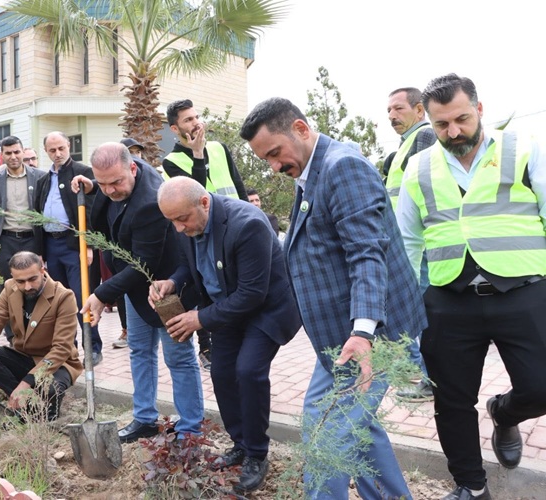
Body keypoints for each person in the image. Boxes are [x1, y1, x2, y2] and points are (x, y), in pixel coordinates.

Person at [240, 97, 427, 499]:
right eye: (265, 160)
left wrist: (363, 332)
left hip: (371, 335)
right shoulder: (312, 171)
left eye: (275, 152)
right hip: (341, 338)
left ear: (302, 129)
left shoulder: (342, 168)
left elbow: (367, 254)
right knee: (353, 427)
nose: (273, 166)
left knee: (329, 433)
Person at [397, 74, 546, 500]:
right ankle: (471, 486)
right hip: (448, 299)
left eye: (462, 119)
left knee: (541, 387)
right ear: (429, 121)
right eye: (442, 125)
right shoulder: (419, 166)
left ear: (479, 110)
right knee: (451, 402)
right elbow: (407, 241)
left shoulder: (524, 148)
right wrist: (407, 307)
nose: (454, 132)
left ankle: (504, 411)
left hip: (525, 290)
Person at [151, 177, 301, 493]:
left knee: (248, 371)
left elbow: (252, 294)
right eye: (172, 221)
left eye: (182, 219)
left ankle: (258, 455)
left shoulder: (247, 225)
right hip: (226, 308)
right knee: (221, 373)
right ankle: (241, 443)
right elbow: (188, 265)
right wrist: (173, 283)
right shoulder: (187, 223)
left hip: (265, 309)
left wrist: (199, 318)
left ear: (204, 202)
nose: (178, 228)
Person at [71, 142, 204, 443]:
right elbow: (108, 212)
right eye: (104, 183)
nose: (111, 190)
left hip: (168, 288)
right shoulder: (116, 180)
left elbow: (144, 263)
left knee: (179, 357)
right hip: (133, 286)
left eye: (116, 182)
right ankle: (144, 418)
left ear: (132, 168)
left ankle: (190, 429)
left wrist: (103, 294)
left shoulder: (149, 202)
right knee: (140, 351)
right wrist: (92, 189)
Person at [163, 99, 249, 369]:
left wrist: (253, 218)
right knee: (211, 288)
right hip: (203, 235)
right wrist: (198, 156)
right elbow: (194, 195)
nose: (196, 123)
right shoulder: (171, 161)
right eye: (188, 120)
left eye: (196, 116)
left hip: (236, 229)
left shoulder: (219, 148)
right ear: (175, 129)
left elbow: (238, 187)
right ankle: (208, 345)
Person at [0, 251, 83, 421]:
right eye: (21, 281)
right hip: (24, 357)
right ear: (12, 277)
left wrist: (26, 382)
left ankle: (47, 414)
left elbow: (61, 348)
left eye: (32, 279)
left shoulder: (64, 297)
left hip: (57, 363)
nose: (27, 287)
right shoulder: (10, 288)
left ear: (42, 270)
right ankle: (25, 405)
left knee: (50, 389)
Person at [385, 87, 439, 402]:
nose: (392, 116)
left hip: (416, 249)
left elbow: (425, 191)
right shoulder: (405, 145)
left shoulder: (423, 137)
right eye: (389, 111)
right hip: (406, 246)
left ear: (420, 110)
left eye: (398, 108)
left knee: (412, 314)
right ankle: (424, 376)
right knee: (411, 314)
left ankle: (427, 379)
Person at [35, 131, 103, 365]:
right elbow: (37, 216)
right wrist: (40, 251)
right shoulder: (43, 181)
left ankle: (92, 347)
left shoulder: (83, 173)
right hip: (51, 245)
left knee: (83, 297)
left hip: (74, 244)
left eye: (61, 148)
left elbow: (92, 210)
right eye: (52, 150)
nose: (58, 154)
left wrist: (89, 245)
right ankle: (67, 347)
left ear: (69, 147)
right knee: (59, 301)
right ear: (46, 152)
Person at [0, 136, 45, 296]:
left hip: (32, 240)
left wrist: (44, 245)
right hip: (5, 241)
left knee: (34, 287)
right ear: (2, 155)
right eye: (8, 153)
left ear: (23, 152)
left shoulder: (40, 177)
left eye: (17, 152)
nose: (13, 156)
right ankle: (8, 322)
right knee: (5, 289)